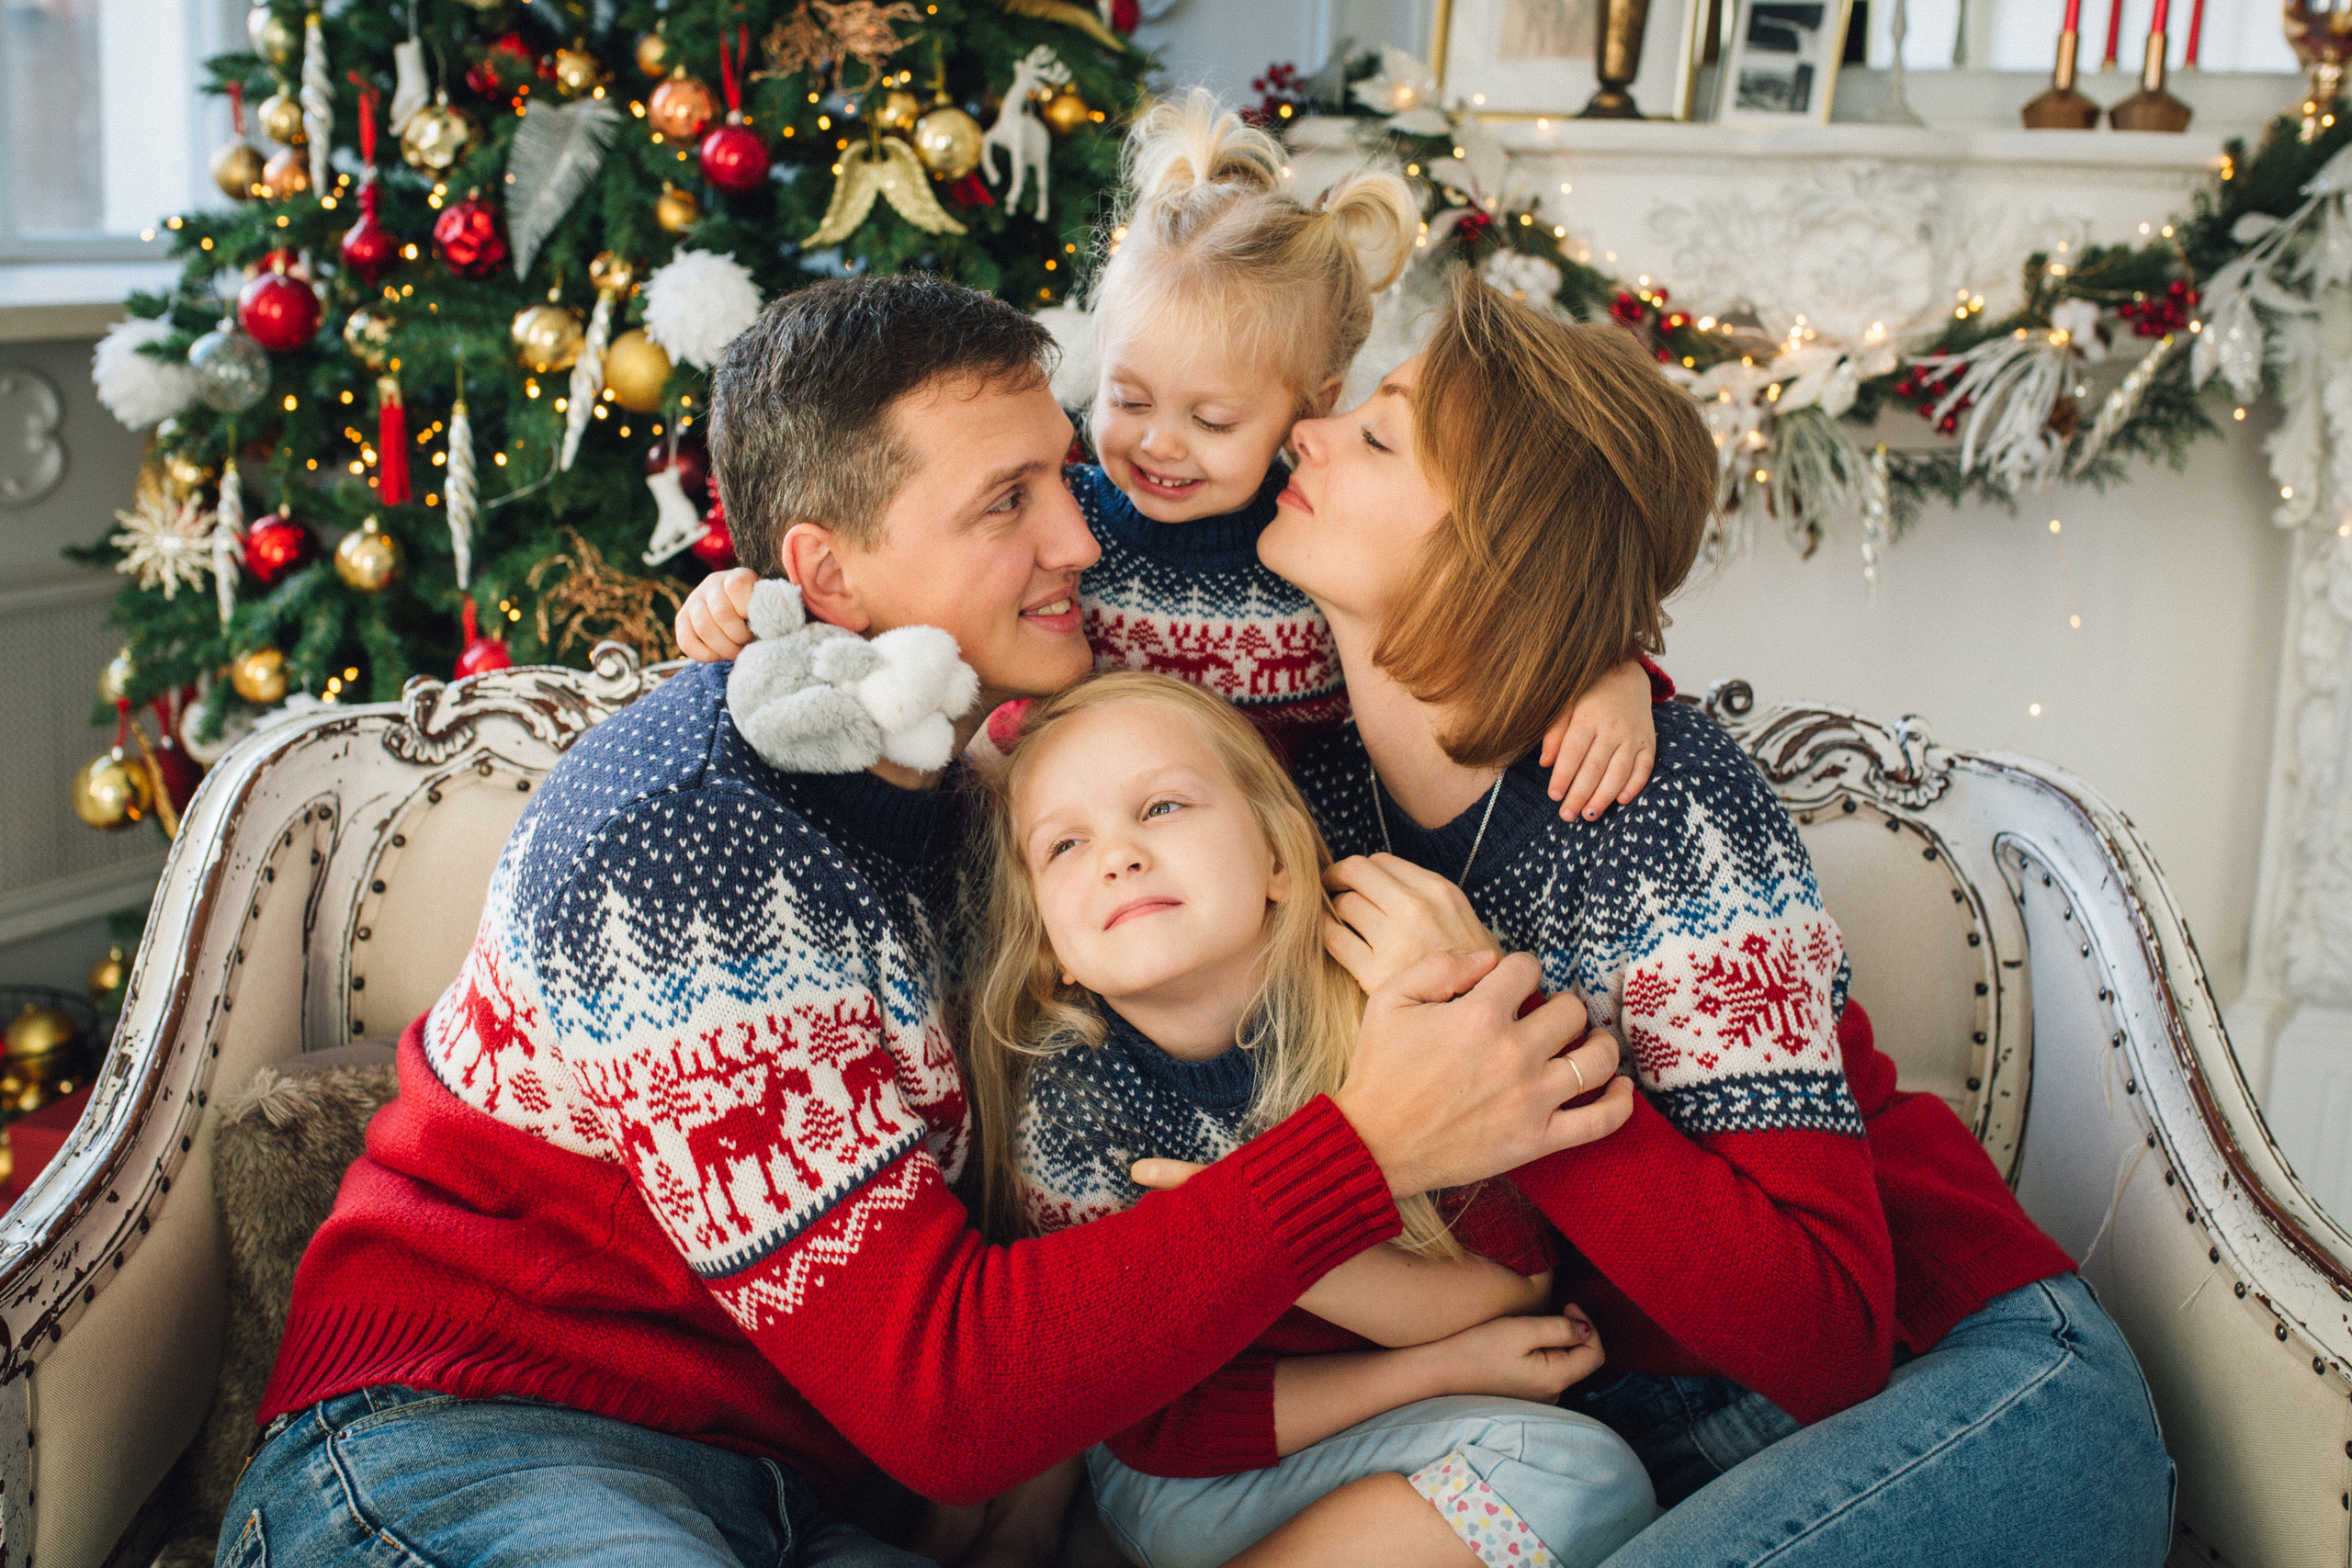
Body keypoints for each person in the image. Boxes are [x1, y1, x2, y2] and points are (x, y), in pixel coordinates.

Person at [218, 276, 1635, 1568]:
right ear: (827, 580)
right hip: (476, 1437)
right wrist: (1368, 1148)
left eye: (1065, 477)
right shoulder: (695, 839)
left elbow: (1400, 604)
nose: (1083, 534)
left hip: (790, 1494)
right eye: (1008, 501)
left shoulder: (999, 801)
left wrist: (1603, 661)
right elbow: (944, 1397)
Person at [1256, 268, 2173, 1564]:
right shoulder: (1312, 802)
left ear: (1489, 550)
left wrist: (1502, 1042)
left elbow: (1827, 1333)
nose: (1310, 429)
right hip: (1665, 1448)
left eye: (1377, 433)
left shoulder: (1655, 803)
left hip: (1974, 1388)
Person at [685, 92, 1666, 818]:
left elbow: (1503, 612)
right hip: (1085, 853)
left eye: (1213, 420)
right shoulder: (1060, 521)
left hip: (1297, 875)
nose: (1158, 443)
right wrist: (739, 598)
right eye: (1128, 398)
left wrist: (1612, 676)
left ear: (1308, 409)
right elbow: (888, 593)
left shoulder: (1326, 542)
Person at [966, 671, 1657, 1568]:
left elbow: (1512, 1284)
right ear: (1050, 949)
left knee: (1586, 1474)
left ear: (1278, 862)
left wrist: (1261, 1224)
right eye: (1063, 846)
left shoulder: (1378, 1017)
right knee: (1573, 1475)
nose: (1118, 855)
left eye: (1164, 806)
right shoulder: (1071, 1100)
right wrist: (1428, 1368)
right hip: (1194, 1477)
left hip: (1379, 1437)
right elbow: (1152, 1424)